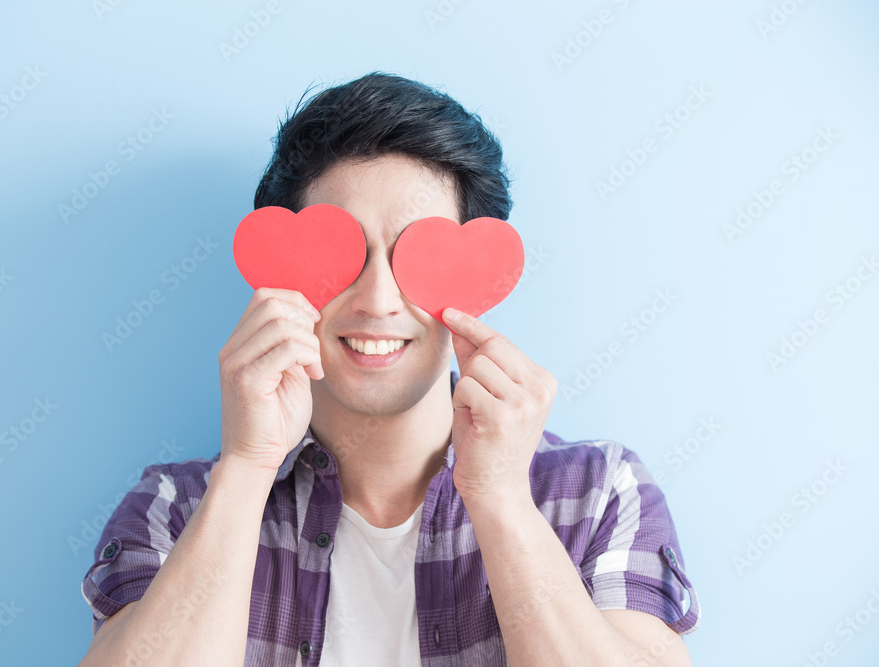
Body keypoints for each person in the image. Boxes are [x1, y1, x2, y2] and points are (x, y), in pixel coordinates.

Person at [78, 72, 701, 667]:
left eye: (418, 255)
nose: (378, 300)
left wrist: (500, 497)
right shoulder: (176, 507)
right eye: (339, 252)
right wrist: (247, 467)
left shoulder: (594, 494)